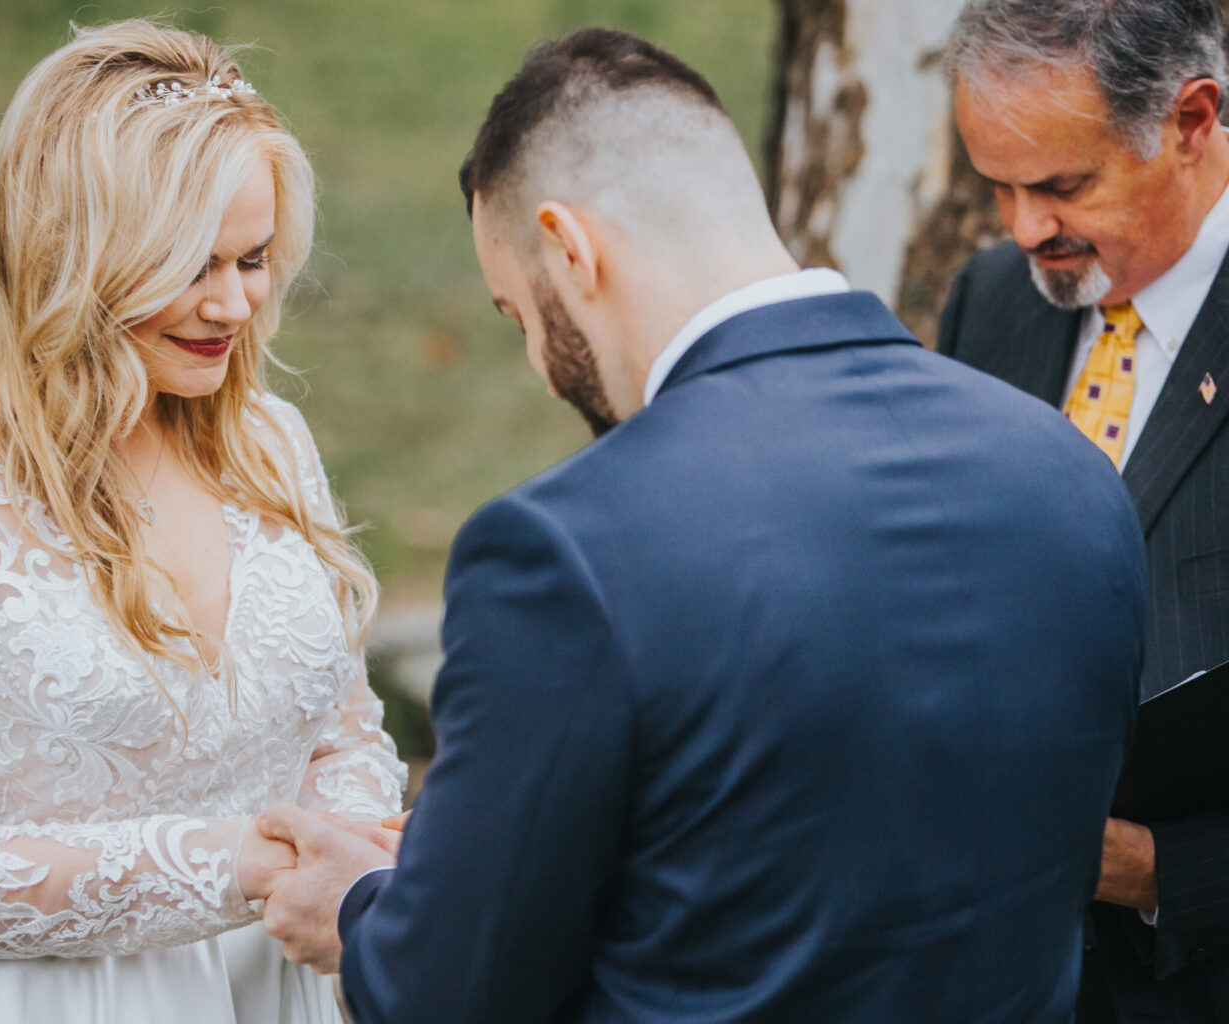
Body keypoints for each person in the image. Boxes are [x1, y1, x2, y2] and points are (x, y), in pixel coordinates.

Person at [251, 27, 1147, 1023]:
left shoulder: (567, 551)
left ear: (570, 249)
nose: (543, 371)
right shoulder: (1071, 476)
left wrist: (360, 908)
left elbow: (452, 994)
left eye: (519, 316)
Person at [0, 20, 405, 1024]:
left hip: (273, 988)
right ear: (73, 255)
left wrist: (340, 847)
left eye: (253, 259)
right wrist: (219, 866)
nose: (236, 304)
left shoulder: (271, 442)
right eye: (192, 265)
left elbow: (340, 730)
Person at [938, 1, 1229, 1018]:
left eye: (1063, 185)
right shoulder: (995, 298)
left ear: (1193, 121)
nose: (1025, 231)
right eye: (999, 188)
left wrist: (1161, 872)